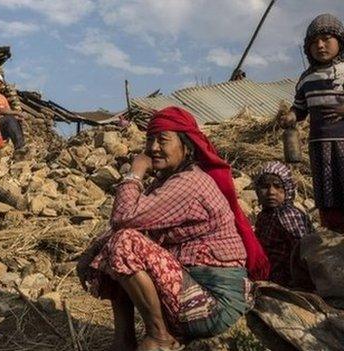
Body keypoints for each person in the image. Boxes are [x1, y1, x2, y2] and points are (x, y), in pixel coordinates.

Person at [77, 107, 269, 351]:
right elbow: (122, 226)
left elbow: (123, 219)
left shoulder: (190, 182)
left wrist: (135, 171)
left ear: (186, 146)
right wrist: (90, 254)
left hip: (214, 303)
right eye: (150, 139)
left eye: (162, 140)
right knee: (111, 245)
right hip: (192, 288)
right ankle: (123, 340)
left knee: (125, 242)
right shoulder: (168, 180)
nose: (153, 147)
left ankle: (159, 337)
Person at [279, 13, 344, 233]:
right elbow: (299, 108)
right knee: (327, 190)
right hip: (319, 146)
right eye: (314, 42)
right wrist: (291, 115)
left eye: (327, 39)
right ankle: (332, 231)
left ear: (340, 41)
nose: (320, 45)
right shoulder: (307, 78)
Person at [253, 161, 313, 288]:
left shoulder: (287, 214)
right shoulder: (264, 215)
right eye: (265, 186)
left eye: (277, 186)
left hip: (287, 280)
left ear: (287, 189)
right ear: (257, 190)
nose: (271, 192)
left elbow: (302, 252)